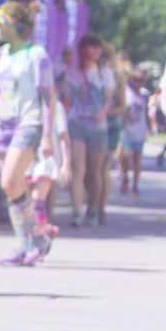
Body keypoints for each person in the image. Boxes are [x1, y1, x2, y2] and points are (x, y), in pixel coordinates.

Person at [0, 1, 54, 265]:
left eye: (0, 21)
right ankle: (27, 243)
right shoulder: (1, 54)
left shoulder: (36, 54)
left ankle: (36, 239)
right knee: (13, 188)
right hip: (2, 126)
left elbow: (49, 97)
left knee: (9, 181)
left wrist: (48, 135)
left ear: (13, 25)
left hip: (26, 123)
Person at [58, 33, 114, 226]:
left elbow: (108, 98)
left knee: (94, 172)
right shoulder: (72, 73)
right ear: (83, 49)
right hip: (76, 124)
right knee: (77, 168)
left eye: (99, 47)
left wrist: (102, 112)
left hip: (98, 128)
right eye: (93, 47)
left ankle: (93, 207)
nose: (97, 51)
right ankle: (75, 212)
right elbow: (66, 100)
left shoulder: (104, 72)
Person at [27, 92, 70, 240]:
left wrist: (66, 164)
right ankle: (43, 231)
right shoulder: (27, 104)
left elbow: (64, 137)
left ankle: (38, 238)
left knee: (37, 199)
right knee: (26, 204)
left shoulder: (56, 107)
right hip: (27, 158)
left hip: (47, 158)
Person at [119, 64, 148, 195]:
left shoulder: (144, 95)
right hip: (127, 131)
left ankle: (135, 184)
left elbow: (146, 112)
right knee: (126, 155)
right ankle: (125, 176)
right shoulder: (125, 93)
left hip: (139, 131)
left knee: (137, 158)